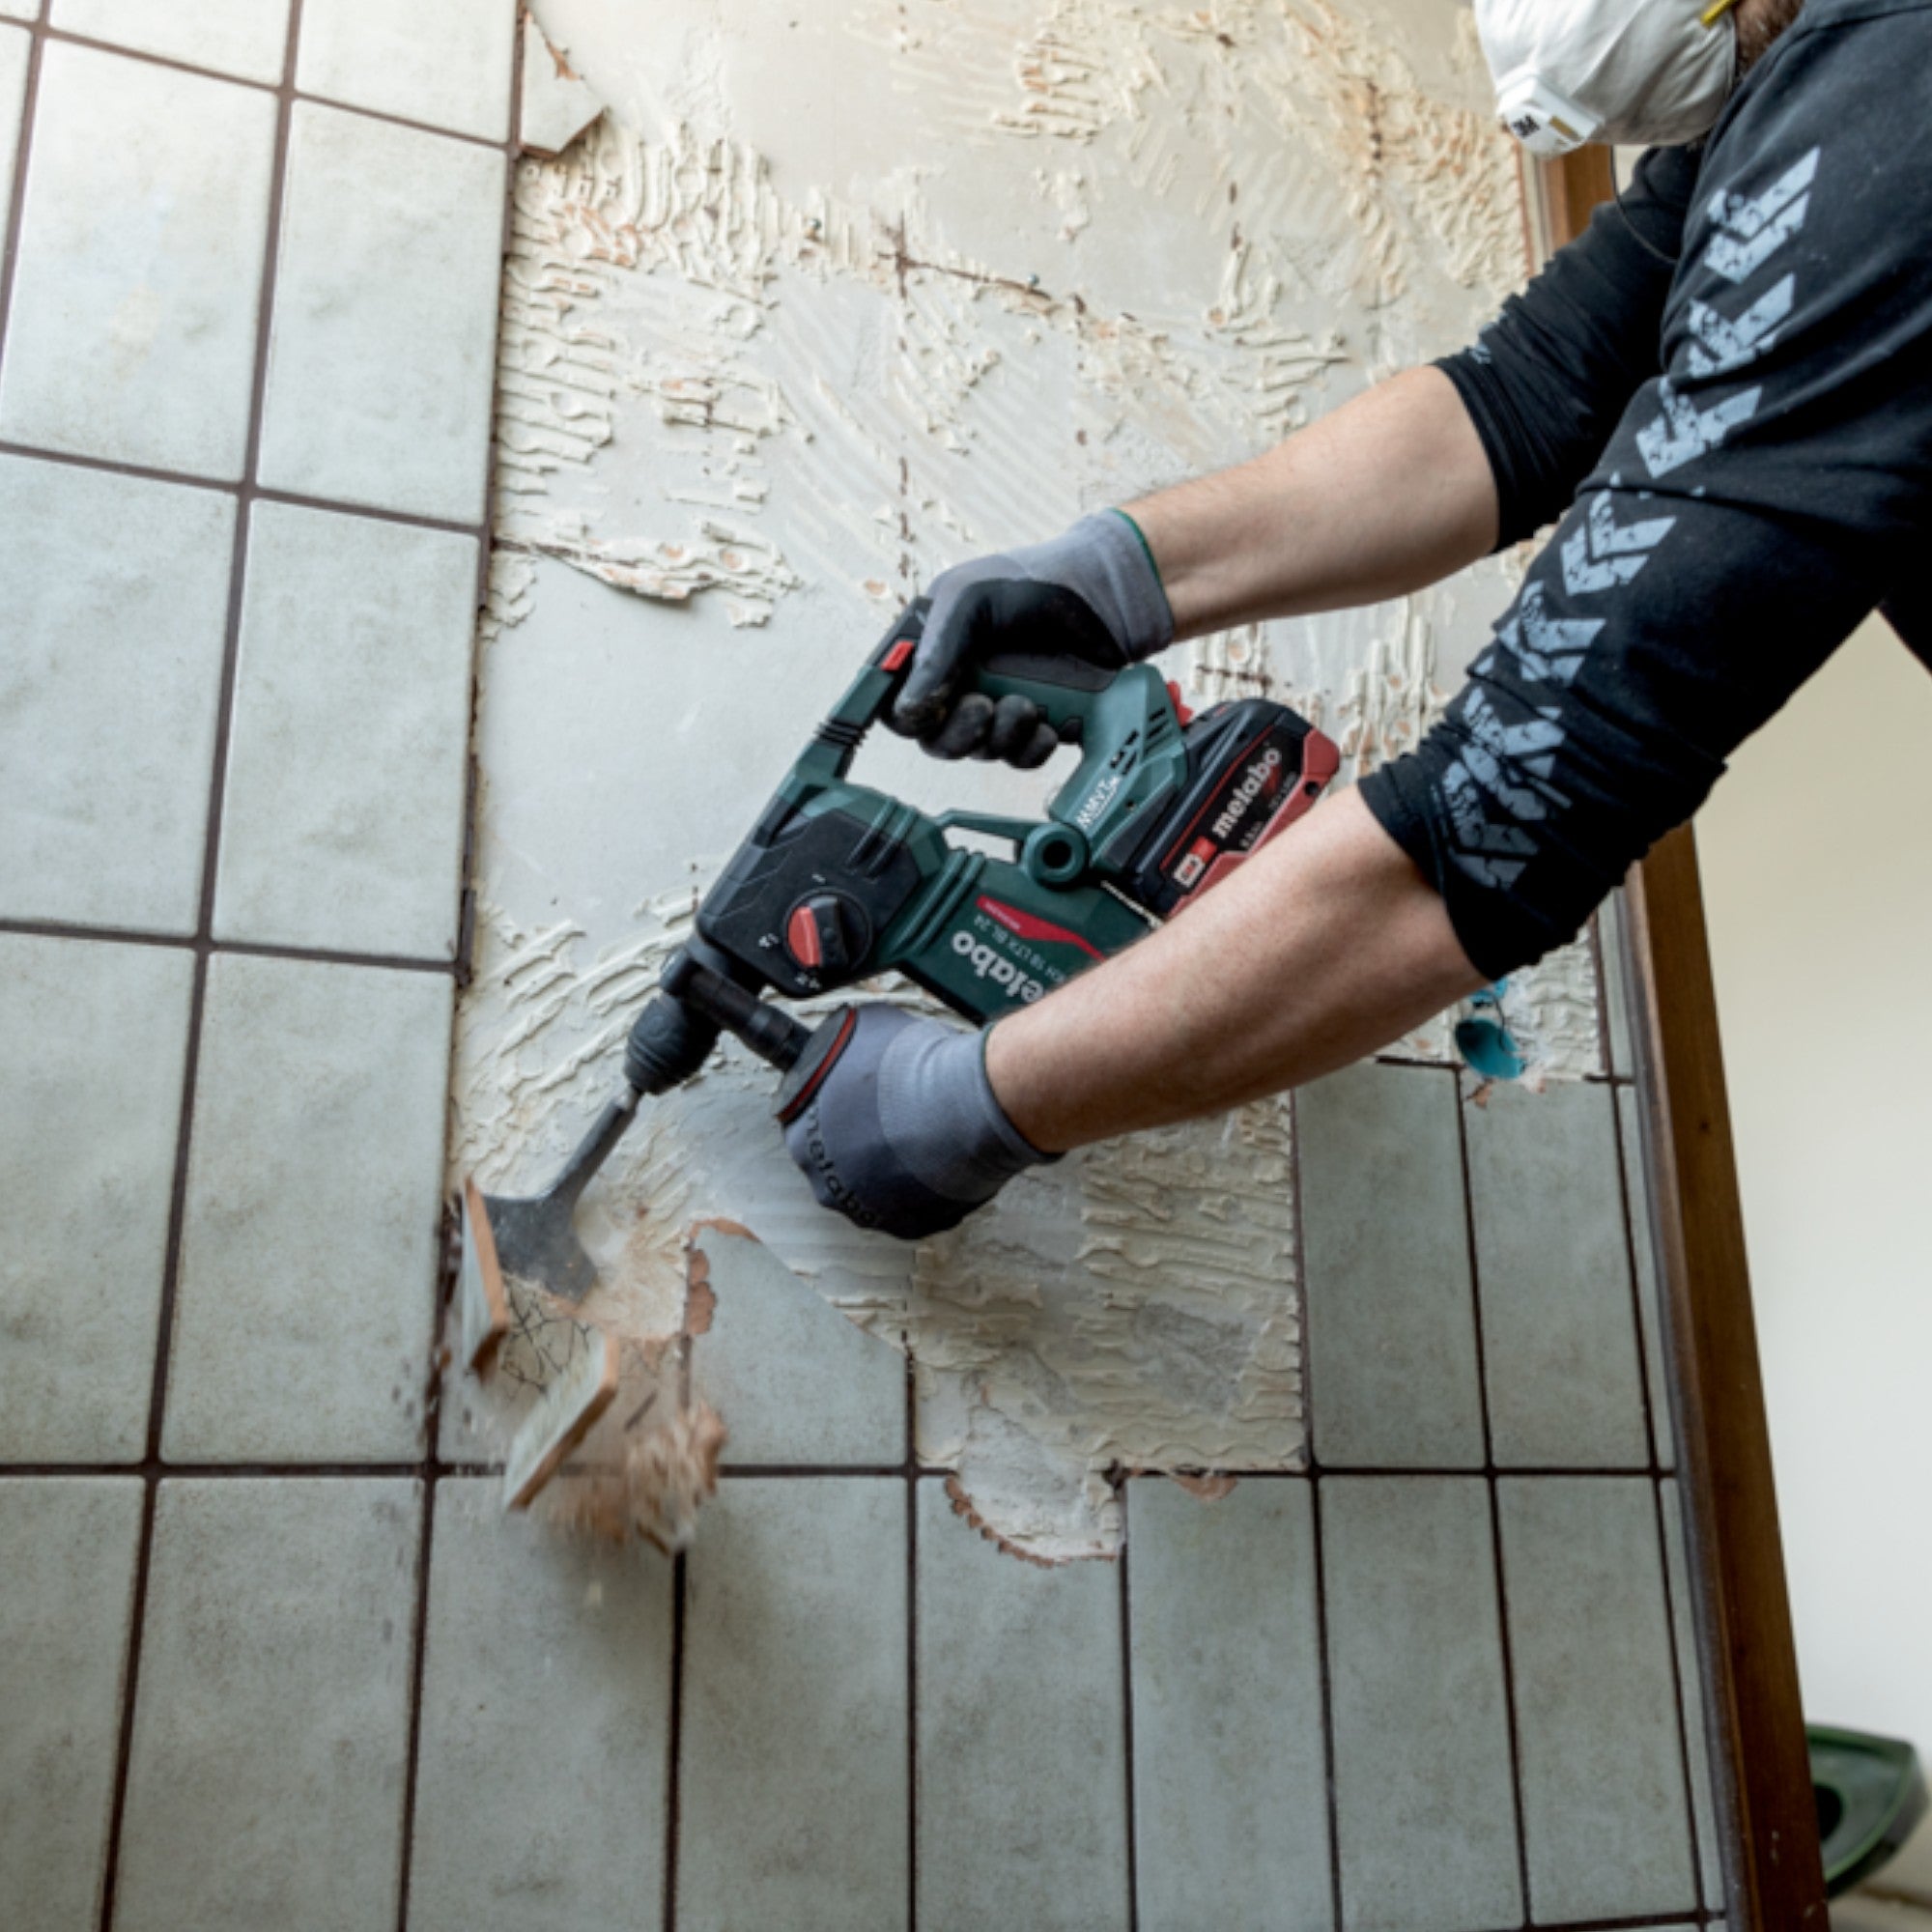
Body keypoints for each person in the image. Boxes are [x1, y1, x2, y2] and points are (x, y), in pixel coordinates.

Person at [781, 0, 1932, 1239]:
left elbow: (1511, 803)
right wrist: (1108, 579)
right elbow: (1521, 401)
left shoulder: (1890, 99)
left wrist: (965, 1105)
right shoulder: (1801, 93)